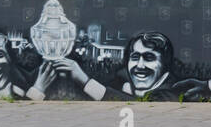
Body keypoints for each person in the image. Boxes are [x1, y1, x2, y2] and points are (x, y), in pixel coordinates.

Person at [56, 32, 185, 101]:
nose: (140, 65)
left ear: (165, 63)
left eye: (149, 58)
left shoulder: (171, 92)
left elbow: (140, 107)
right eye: (135, 57)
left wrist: (84, 81)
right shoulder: (123, 79)